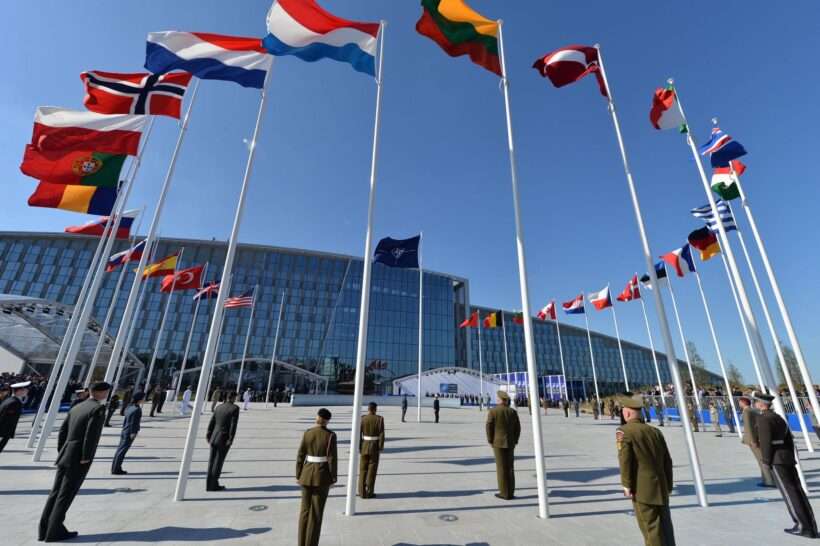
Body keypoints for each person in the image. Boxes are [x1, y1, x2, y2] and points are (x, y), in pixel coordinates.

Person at [39, 381, 110, 543]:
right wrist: (86, 456)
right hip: (79, 457)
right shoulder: (97, 408)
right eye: (106, 392)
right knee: (66, 494)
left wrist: (62, 450)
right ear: (101, 392)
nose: (106, 395)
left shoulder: (77, 406)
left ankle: (44, 529)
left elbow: (63, 431)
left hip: (66, 453)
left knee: (55, 492)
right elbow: (91, 436)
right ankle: (54, 531)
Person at [753, 391, 818, 538]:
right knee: (797, 491)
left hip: (776, 459)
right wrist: (790, 455)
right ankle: (810, 525)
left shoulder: (764, 419)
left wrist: (766, 460)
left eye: (756, 402)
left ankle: (803, 526)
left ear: (761, 404)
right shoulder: (778, 417)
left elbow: (765, 442)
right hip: (786, 456)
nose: (755, 404)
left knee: (790, 494)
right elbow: (789, 439)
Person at [616, 393, 675, 546]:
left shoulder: (624, 431)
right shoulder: (655, 432)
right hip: (661, 487)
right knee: (666, 528)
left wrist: (626, 485)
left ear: (627, 413)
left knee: (651, 530)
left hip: (642, 489)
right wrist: (668, 484)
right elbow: (667, 461)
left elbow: (625, 460)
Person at [296, 408, 337, 546]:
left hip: (306, 474)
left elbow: (300, 455)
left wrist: (298, 474)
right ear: (327, 421)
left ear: (318, 417)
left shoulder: (308, 433)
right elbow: (332, 459)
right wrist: (333, 478)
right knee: (316, 513)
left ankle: (301, 543)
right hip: (322, 476)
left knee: (304, 512)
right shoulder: (330, 435)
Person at [486, 390, 521, 500]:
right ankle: (510, 492)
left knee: (501, 468)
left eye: (497, 398)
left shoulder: (493, 411)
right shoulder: (512, 412)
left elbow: (489, 427)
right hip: (510, 443)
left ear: (500, 400)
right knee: (510, 467)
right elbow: (518, 428)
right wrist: (515, 440)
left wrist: (490, 440)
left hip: (498, 443)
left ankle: (504, 493)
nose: (496, 399)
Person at [206, 391, 240, 492]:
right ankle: (213, 485)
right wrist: (230, 439)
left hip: (214, 437)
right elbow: (233, 426)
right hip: (223, 439)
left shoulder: (219, 407)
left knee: (211, 461)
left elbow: (212, 421)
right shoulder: (235, 408)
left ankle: (209, 484)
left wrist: (208, 434)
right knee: (218, 462)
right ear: (233, 398)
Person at [739, 396, 775, 488]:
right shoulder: (752, 410)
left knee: (761, 460)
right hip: (756, 438)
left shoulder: (747, 412)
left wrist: (753, 440)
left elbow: (749, 427)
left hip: (753, 439)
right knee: (762, 460)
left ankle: (769, 481)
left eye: (740, 402)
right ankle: (767, 479)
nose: (739, 404)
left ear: (743, 403)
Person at [112, 392, 144, 475]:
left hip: (125, 430)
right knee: (122, 451)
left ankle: (115, 467)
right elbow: (134, 422)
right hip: (129, 432)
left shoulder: (129, 407)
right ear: (140, 399)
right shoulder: (137, 409)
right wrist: (133, 433)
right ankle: (116, 469)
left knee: (119, 450)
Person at [358, 402, 385, 498]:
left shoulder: (363, 418)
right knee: (372, 470)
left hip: (364, 445)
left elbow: (359, 433)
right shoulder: (380, 419)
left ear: (368, 409)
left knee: (363, 469)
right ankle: (369, 492)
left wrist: (359, 446)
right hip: (374, 446)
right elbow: (381, 434)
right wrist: (380, 446)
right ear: (375, 409)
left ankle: (361, 492)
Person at [0, 380, 29, 454]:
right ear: (19, 391)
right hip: (4, 430)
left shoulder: (10, 399)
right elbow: (5, 418)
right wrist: (7, 433)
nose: (26, 391)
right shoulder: (14, 402)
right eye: (24, 390)